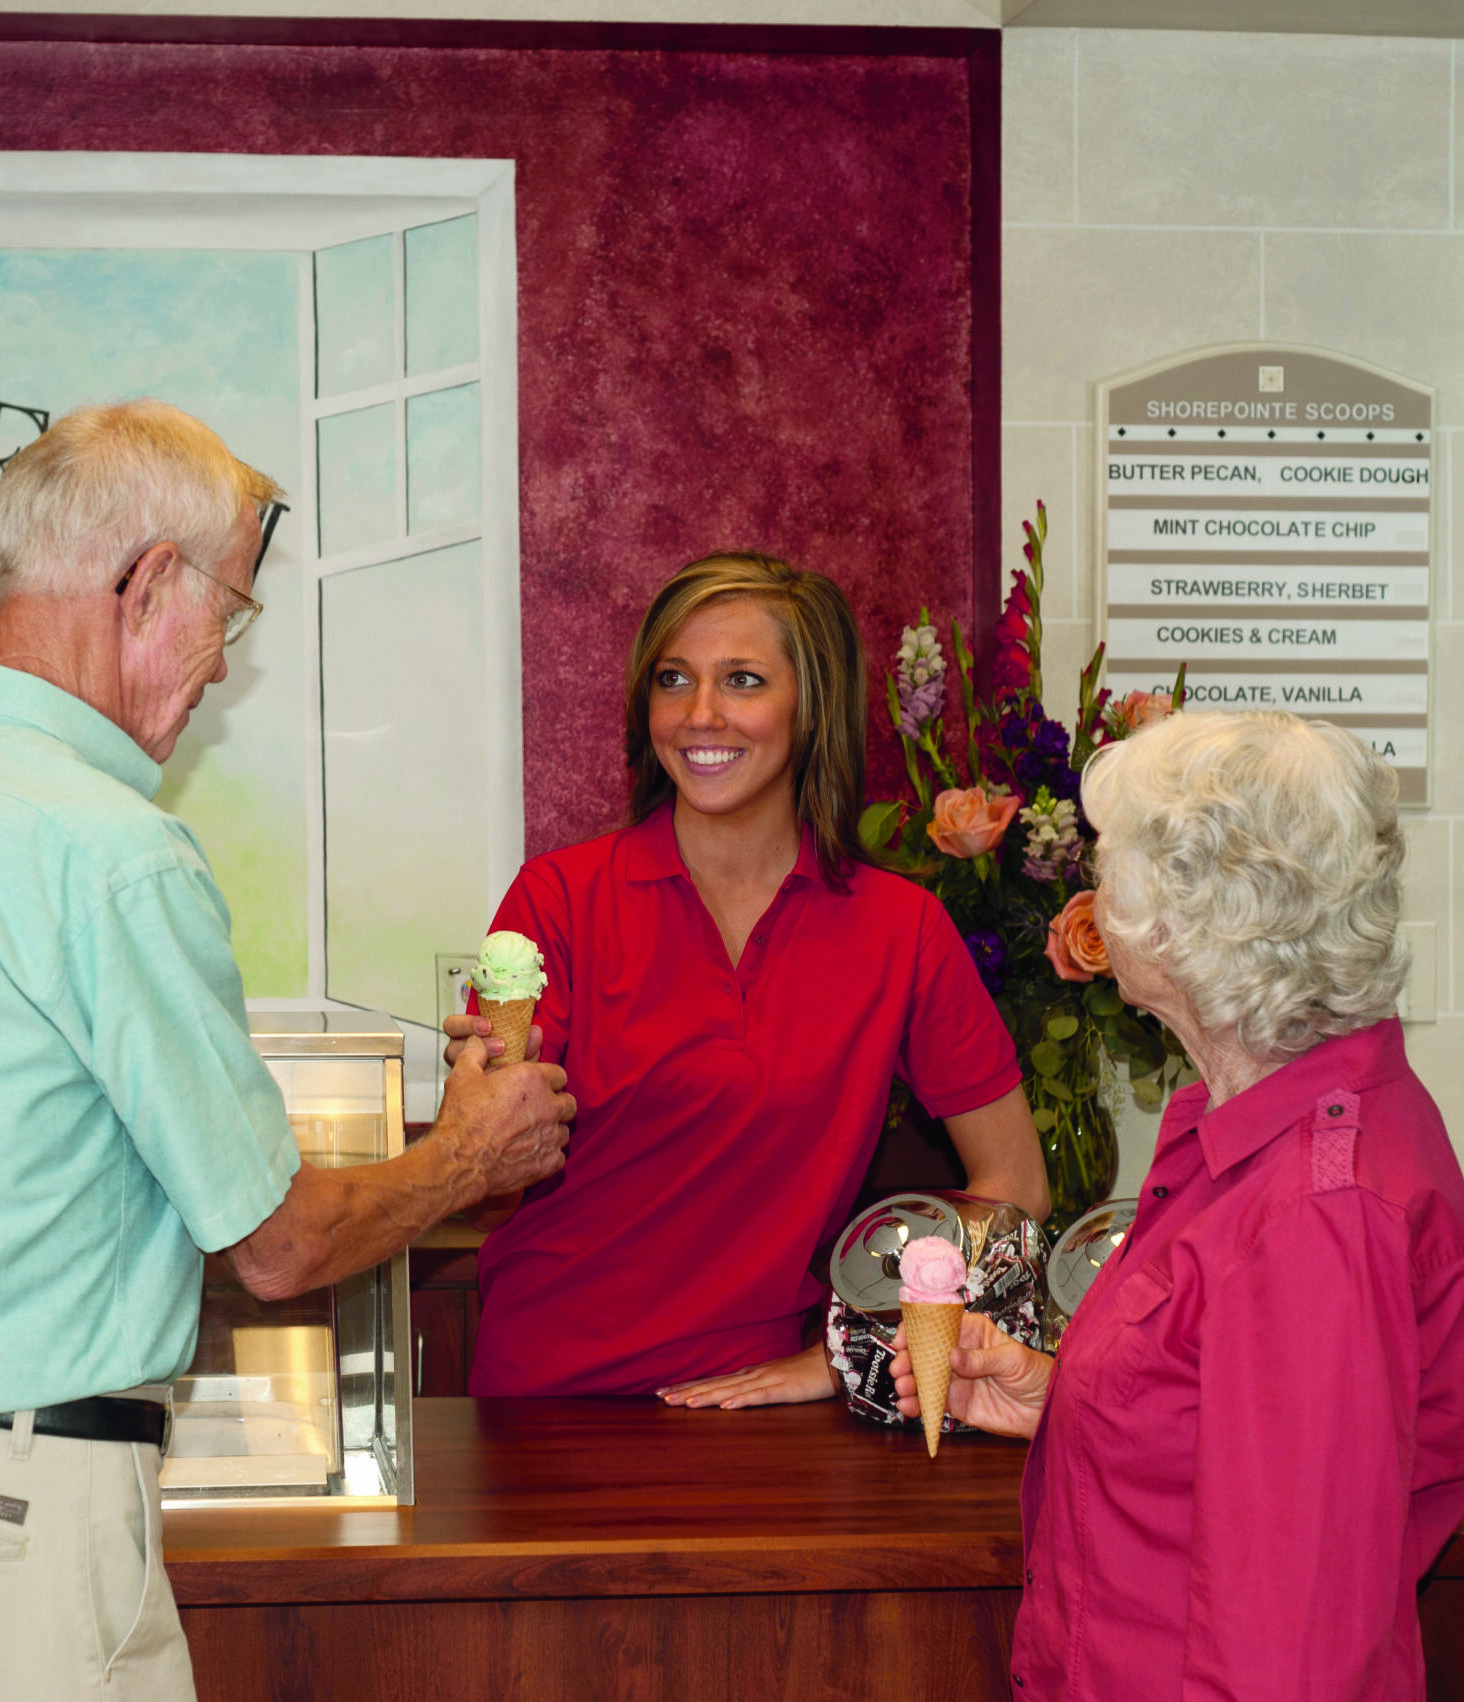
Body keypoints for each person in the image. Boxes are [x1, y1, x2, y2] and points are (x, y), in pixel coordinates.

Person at [0, 400, 575, 1702]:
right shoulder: (107, 849)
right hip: (1, 1517)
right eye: (231, 614)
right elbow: (280, 1244)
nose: (218, 669)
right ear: (146, 581)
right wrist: (467, 1155)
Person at [892, 711, 1464, 1700]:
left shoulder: (1314, 1214)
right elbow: (1238, 1432)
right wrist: (1060, 1394)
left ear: (1191, 919)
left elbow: (1291, 1656)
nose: (1092, 892)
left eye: (1111, 865)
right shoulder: (1251, 1125)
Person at [444, 552, 1048, 1402]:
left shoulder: (900, 928)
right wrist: (475, 1137)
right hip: (547, 1406)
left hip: (757, 1412)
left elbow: (1016, 1186)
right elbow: (484, 1209)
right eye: (673, 679)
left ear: (813, 707)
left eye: (742, 680)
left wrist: (850, 1355)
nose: (698, 715)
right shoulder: (557, 900)